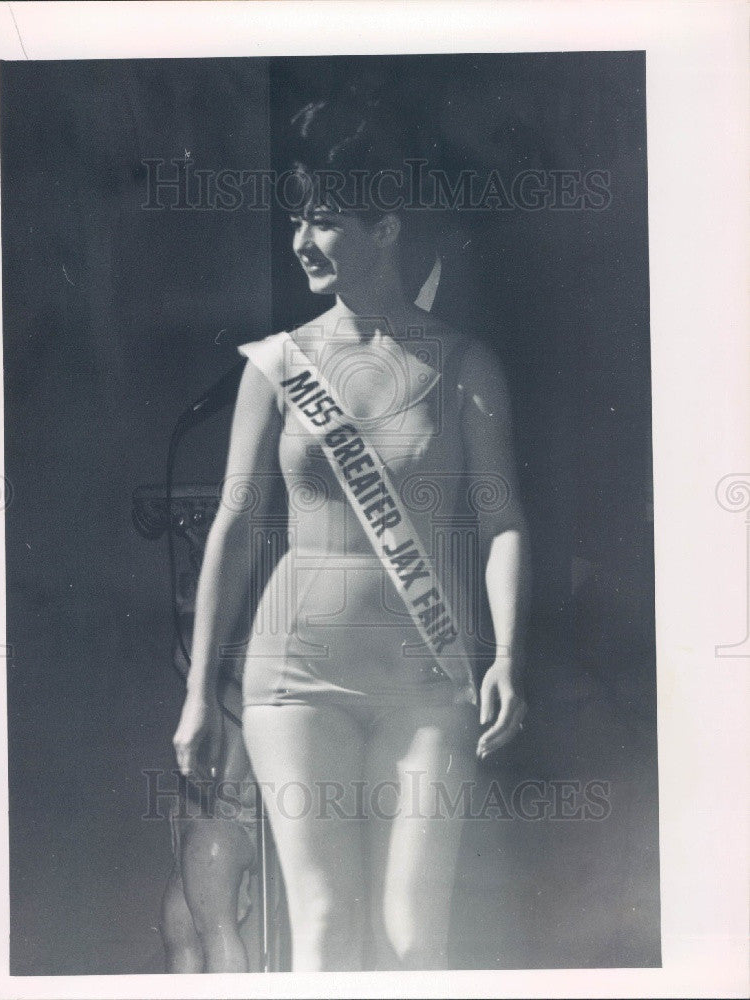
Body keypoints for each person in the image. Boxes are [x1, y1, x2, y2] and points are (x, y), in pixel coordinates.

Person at [173, 88, 531, 972]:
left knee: (415, 942)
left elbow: (502, 521)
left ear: (388, 228)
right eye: (297, 220)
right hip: (293, 677)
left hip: (427, 679)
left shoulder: (464, 365)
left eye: (325, 221)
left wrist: (509, 658)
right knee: (325, 934)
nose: (301, 242)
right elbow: (233, 522)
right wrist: (195, 696)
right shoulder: (276, 365)